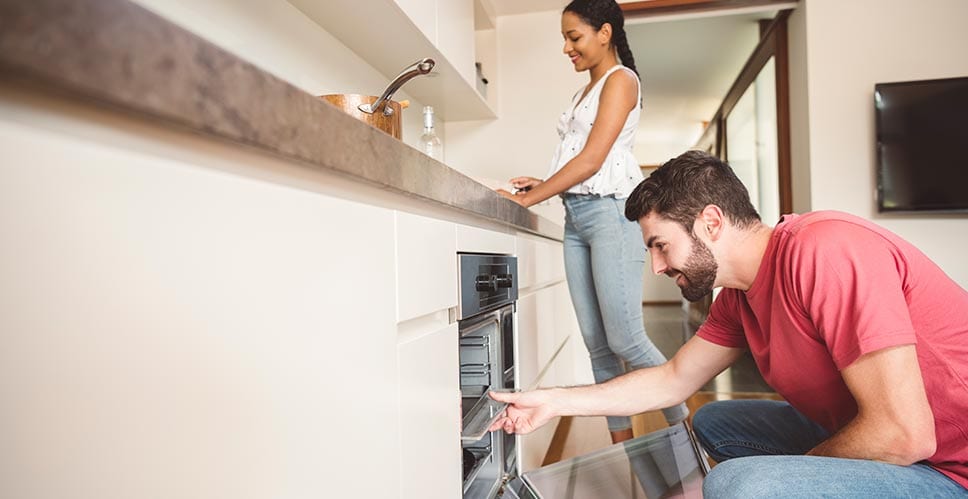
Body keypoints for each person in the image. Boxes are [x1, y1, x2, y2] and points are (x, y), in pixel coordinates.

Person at [491, 150, 968, 497]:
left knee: (737, 485)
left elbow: (905, 433)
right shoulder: (738, 296)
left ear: (711, 223)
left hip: (947, 467)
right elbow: (672, 380)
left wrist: (793, 479)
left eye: (660, 245)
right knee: (716, 421)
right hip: (894, 436)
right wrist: (553, 402)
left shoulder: (825, 252)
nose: (657, 267)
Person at [495, 0, 688, 443]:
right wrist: (547, 183)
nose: (566, 47)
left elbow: (594, 159)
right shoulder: (587, 89)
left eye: (573, 36)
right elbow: (586, 163)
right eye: (564, 38)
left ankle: (688, 434)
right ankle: (622, 449)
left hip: (610, 216)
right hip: (577, 216)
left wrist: (530, 198)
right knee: (597, 345)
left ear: (605, 33)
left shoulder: (621, 81)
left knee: (626, 339)